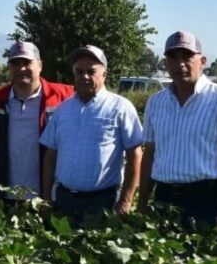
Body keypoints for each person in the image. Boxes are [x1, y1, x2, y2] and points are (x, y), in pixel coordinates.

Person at [137, 31, 217, 230]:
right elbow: (149, 155)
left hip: (207, 200)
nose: (180, 64)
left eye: (187, 56)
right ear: (165, 63)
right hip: (164, 197)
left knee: (204, 259)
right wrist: (141, 205)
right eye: (173, 58)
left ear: (202, 61)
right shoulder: (156, 102)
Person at [40, 45, 143, 222]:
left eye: (91, 71)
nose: (84, 76)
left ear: (104, 74)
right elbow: (51, 153)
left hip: (103, 203)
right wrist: (46, 196)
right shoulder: (63, 109)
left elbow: (135, 154)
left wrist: (126, 200)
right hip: (64, 201)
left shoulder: (120, 107)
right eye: (79, 71)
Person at [0, 41, 73, 202]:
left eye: (27, 62)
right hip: (7, 193)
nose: (21, 68)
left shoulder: (63, 96)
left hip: (48, 195)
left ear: (40, 65)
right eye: (15, 63)